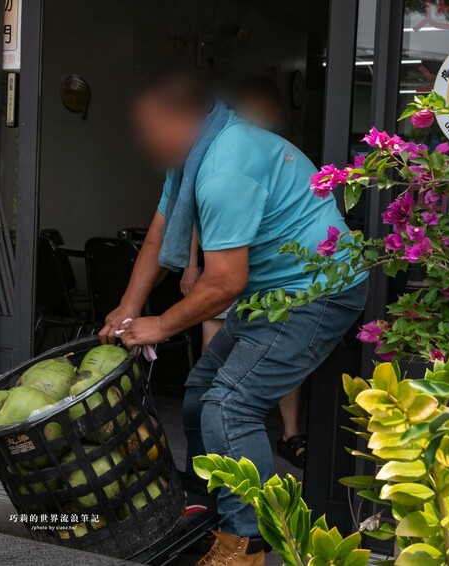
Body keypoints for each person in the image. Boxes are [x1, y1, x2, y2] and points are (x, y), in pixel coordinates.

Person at [100, 65, 367, 565]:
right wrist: (130, 305)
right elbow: (158, 236)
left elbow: (224, 282)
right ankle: (209, 509)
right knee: (201, 397)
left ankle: (247, 543)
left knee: (229, 405)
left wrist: (159, 324)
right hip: (273, 292)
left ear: (182, 117)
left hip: (317, 291)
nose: (144, 140)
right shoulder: (192, 157)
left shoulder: (224, 168)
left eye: (149, 126)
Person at [180, 76, 307, 470]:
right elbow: (197, 215)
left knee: (275, 360)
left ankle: (290, 433)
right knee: (211, 366)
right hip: (222, 273)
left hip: (268, 277)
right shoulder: (215, 154)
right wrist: (192, 265)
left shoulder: (273, 154)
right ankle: (208, 456)